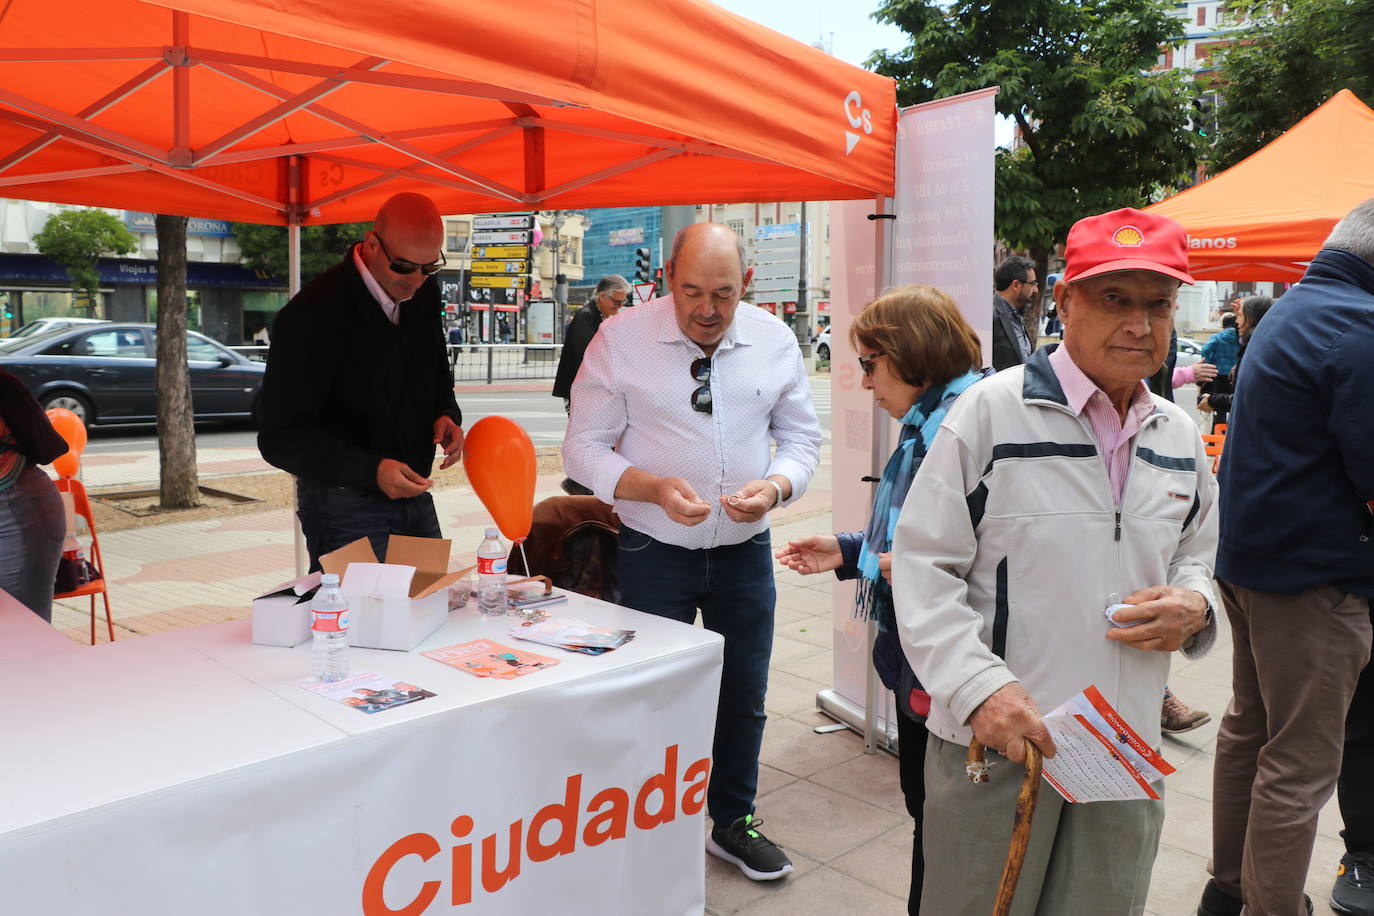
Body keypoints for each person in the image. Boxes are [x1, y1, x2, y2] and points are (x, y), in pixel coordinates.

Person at [894, 207, 1219, 916]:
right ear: (1065, 299)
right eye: (1116, 299)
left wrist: (1195, 606)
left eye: (1159, 305)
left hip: (1124, 746)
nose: (1141, 324)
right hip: (1002, 741)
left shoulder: (1179, 434)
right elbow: (922, 567)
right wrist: (980, 690)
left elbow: (1198, 550)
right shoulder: (987, 414)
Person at [563, 222, 822, 882]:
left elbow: (800, 440)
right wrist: (648, 487)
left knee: (744, 694)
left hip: (743, 552)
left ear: (748, 287)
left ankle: (733, 821)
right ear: (667, 276)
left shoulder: (772, 340)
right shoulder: (620, 339)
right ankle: (650, 826)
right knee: (653, 695)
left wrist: (777, 485)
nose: (707, 310)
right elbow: (581, 448)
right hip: (654, 548)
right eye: (692, 292)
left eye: (724, 295)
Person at [775, 285, 989, 914]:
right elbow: (915, 548)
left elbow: (948, 561)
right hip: (925, 664)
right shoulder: (933, 421)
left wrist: (864, 557)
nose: (865, 382)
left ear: (911, 352)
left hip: (957, 672)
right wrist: (849, 550)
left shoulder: (959, 428)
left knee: (952, 810)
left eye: (870, 364)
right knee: (931, 810)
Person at [1198, 200, 1374, 916]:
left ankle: (1229, 890)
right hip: (1314, 580)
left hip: (1254, 563)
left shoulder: (1295, 311)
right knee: (1299, 763)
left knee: (1251, 731)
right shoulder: (1358, 331)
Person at [256, 192, 464, 570]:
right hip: (342, 503)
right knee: (363, 623)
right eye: (404, 267)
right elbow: (279, 438)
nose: (416, 281)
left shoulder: (423, 294)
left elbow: (436, 372)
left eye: (429, 268)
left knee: (431, 606)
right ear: (370, 245)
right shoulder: (312, 315)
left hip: (414, 491)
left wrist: (445, 414)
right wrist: (370, 470)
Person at [0, 369, 68, 622]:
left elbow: (47, 447)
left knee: (22, 626)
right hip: (18, 501)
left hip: (16, 506)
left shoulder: (5, 383)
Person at [553, 275, 629, 413]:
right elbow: (589, 356)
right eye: (616, 302)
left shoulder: (599, 316)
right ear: (602, 296)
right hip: (581, 390)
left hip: (591, 389)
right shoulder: (586, 317)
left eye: (622, 302)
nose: (619, 307)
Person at [1197, 295, 1273, 429]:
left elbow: (1246, 399)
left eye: (1241, 315)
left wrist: (1212, 400)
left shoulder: (1258, 352)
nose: (1237, 321)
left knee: (1220, 413)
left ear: (1252, 318)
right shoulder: (1261, 344)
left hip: (1219, 375)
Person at [991, 255, 1038, 370]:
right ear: (1016, 285)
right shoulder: (990, 317)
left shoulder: (1016, 316)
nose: (1036, 290)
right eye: (1032, 284)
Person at [1201, 311, 1240, 378]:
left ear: (1223, 325)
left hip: (1219, 373)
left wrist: (1209, 363)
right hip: (1236, 373)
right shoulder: (1241, 338)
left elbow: (1205, 350)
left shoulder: (1217, 337)